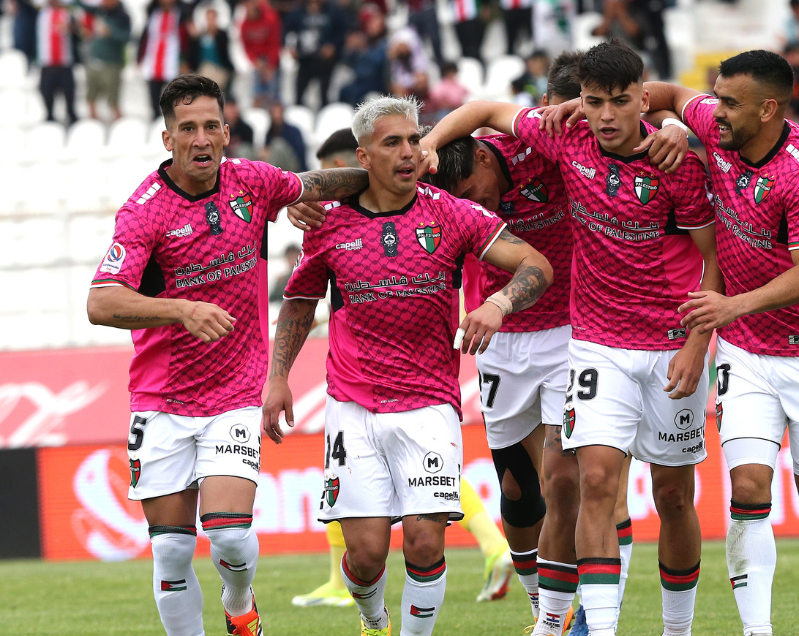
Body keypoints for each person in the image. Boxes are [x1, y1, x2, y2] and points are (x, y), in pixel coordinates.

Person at [426, 40, 722, 636]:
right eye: (593, 102)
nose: (605, 115)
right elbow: (484, 110)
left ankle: (664, 627)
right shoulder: (562, 138)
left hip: (649, 339)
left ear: (640, 98)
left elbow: (713, 253)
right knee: (570, 482)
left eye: (619, 102)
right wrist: (429, 142)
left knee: (660, 493)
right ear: (578, 103)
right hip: (580, 341)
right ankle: (564, 621)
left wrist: (698, 342)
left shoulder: (674, 162)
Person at [86, 73, 373, 636]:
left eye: (211, 126)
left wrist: (385, 170)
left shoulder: (253, 182)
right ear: (168, 138)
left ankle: (239, 605)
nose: (201, 139)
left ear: (225, 131)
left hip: (235, 392)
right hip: (161, 400)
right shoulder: (144, 211)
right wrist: (181, 310)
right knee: (171, 552)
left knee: (230, 536)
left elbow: (315, 183)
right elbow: (101, 302)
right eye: (187, 128)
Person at [262, 94, 553, 636]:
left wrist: (498, 302)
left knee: (424, 541)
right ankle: (374, 622)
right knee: (366, 554)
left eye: (414, 140)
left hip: (429, 402)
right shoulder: (329, 224)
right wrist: (278, 377)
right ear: (363, 157)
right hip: (353, 402)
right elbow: (300, 301)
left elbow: (535, 264)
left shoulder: (453, 213)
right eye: (391, 142)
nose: (407, 152)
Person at [596, 49, 799, 636]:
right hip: (745, 352)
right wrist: (667, 122)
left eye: (730, 103)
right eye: (714, 97)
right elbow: (664, 94)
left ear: (768, 109)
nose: (714, 112)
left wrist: (730, 305)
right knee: (747, 489)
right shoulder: (715, 125)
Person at [285, 0, 347, 109]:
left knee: (324, 96)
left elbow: (342, 32)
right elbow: (288, 30)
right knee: (299, 95)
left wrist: (333, 46)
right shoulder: (298, 11)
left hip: (324, 61)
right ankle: (300, 113)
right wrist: (291, 47)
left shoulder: (333, 11)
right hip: (304, 60)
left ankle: (324, 113)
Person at [138, 0, 192, 120]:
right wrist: (139, 58)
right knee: (154, 94)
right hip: (153, 59)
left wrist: (185, 60)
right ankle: (156, 118)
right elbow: (144, 37)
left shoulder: (182, 14)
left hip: (172, 59)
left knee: (175, 94)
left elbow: (186, 40)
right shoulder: (153, 13)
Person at [82, 0, 132, 121]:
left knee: (113, 95)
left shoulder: (122, 16)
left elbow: (126, 38)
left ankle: (118, 121)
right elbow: (82, 5)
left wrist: (110, 32)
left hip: (112, 62)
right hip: (94, 60)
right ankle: (92, 119)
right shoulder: (99, 12)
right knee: (92, 93)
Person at [36, 0, 78, 125]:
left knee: (69, 92)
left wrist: (70, 27)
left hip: (64, 62)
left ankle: (71, 116)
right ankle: (49, 117)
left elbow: (79, 32)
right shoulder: (41, 13)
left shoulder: (68, 14)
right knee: (47, 93)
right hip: (47, 63)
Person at [239, 0, 282, 107]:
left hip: (272, 58)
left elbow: (275, 42)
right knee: (257, 93)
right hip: (258, 60)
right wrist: (254, 60)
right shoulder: (244, 25)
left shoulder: (271, 17)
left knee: (273, 92)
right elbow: (247, 47)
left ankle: (274, 108)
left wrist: (271, 65)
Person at [186, 7, 234, 92]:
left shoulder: (222, 35)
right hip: (202, 71)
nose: (210, 21)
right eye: (208, 18)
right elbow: (193, 56)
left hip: (219, 70)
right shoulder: (200, 36)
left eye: (212, 18)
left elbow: (226, 54)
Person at [264, 101, 308, 172]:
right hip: (278, 163)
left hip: (294, 165)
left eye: (279, 112)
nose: (277, 116)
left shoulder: (293, 131)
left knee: (277, 144)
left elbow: (300, 153)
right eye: (274, 113)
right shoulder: (270, 132)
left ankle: (271, 173)